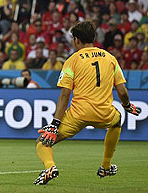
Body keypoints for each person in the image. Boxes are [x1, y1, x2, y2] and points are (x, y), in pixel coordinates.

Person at [34, 21, 141, 185]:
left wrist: (55, 124)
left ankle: (50, 167)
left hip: (78, 115)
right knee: (117, 120)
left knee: (43, 142)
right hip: (104, 113)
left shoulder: (72, 60)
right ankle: (106, 166)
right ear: (93, 38)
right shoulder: (110, 58)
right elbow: (122, 91)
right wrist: (127, 106)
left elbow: (64, 94)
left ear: (76, 40)